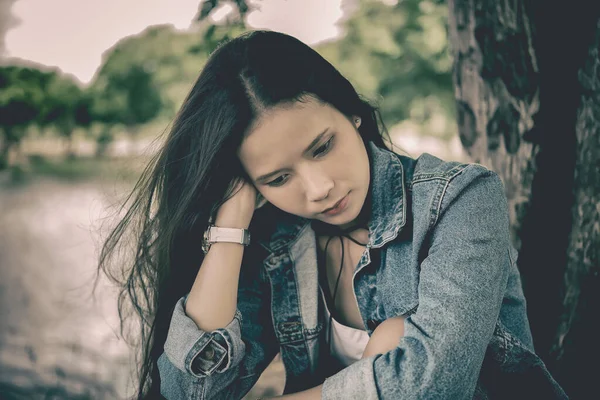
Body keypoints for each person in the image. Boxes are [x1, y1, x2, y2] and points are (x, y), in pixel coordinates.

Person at [98, 30, 567, 399]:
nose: (319, 189)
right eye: (278, 178)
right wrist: (230, 226)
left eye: (323, 147)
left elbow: (433, 386)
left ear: (353, 114)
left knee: (395, 335)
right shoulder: (275, 239)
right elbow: (190, 392)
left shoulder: (460, 199)